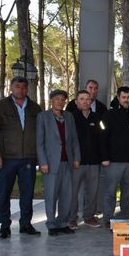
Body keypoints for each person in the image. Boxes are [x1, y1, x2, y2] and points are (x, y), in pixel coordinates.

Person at [0, 77, 43, 239]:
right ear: (11, 88)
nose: (21, 90)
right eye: (17, 87)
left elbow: (40, 133)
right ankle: (4, 226)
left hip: (28, 158)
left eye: (24, 87)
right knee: (4, 193)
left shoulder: (35, 108)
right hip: (7, 158)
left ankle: (26, 224)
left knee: (27, 193)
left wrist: (39, 156)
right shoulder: (0, 107)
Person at [36, 89, 81, 236]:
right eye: (57, 99)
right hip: (50, 163)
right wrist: (42, 162)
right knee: (51, 194)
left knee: (66, 194)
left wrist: (76, 158)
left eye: (63, 99)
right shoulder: (43, 117)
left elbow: (74, 139)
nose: (60, 102)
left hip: (67, 162)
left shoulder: (69, 116)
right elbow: (39, 142)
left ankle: (63, 223)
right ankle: (51, 224)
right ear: (51, 100)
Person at [99, 86, 129, 229]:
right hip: (113, 161)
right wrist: (104, 157)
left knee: (128, 192)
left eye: (128, 97)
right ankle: (108, 218)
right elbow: (102, 137)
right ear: (118, 98)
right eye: (123, 97)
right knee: (110, 191)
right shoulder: (109, 115)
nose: (126, 100)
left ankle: (125, 216)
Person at [69, 90, 103, 229]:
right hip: (76, 162)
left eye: (87, 99)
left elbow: (102, 138)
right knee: (73, 191)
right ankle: (72, 218)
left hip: (94, 161)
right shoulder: (70, 117)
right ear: (76, 102)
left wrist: (102, 157)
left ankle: (89, 216)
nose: (85, 101)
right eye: (82, 99)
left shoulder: (97, 118)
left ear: (91, 101)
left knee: (92, 191)